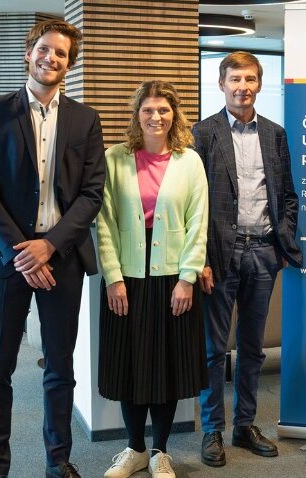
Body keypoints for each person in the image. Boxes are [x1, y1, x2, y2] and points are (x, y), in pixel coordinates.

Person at [0, 19, 105, 478]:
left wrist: (48, 246)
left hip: (61, 258)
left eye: (61, 53)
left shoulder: (85, 119)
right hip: (6, 259)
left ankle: (57, 460)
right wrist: (21, 252)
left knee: (60, 367)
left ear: (70, 63)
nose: (51, 58)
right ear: (30, 53)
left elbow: (91, 193)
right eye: (45, 49)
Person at [193, 51, 302, 468]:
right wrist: (201, 258)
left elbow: (288, 194)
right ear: (221, 84)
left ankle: (244, 425)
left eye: (250, 79)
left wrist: (282, 243)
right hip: (219, 254)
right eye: (235, 79)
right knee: (213, 350)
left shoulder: (274, 134)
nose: (243, 87)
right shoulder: (203, 133)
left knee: (253, 348)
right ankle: (212, 430)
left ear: (259, 83)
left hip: (263, 252)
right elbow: (194, 202)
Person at [96, 81, 209, 478]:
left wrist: (187, 277)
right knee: (129, 367)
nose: (156, 117)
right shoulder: (115, 158)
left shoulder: (189, 161)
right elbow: (104, 222)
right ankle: (135, 449)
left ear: (174, 115)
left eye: (163, 110)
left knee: (166, 368)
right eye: (148, 110)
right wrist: (113, 277)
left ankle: (161, 451)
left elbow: (198, 223)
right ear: (137, 114)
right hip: (127, 277)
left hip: (172, 278)